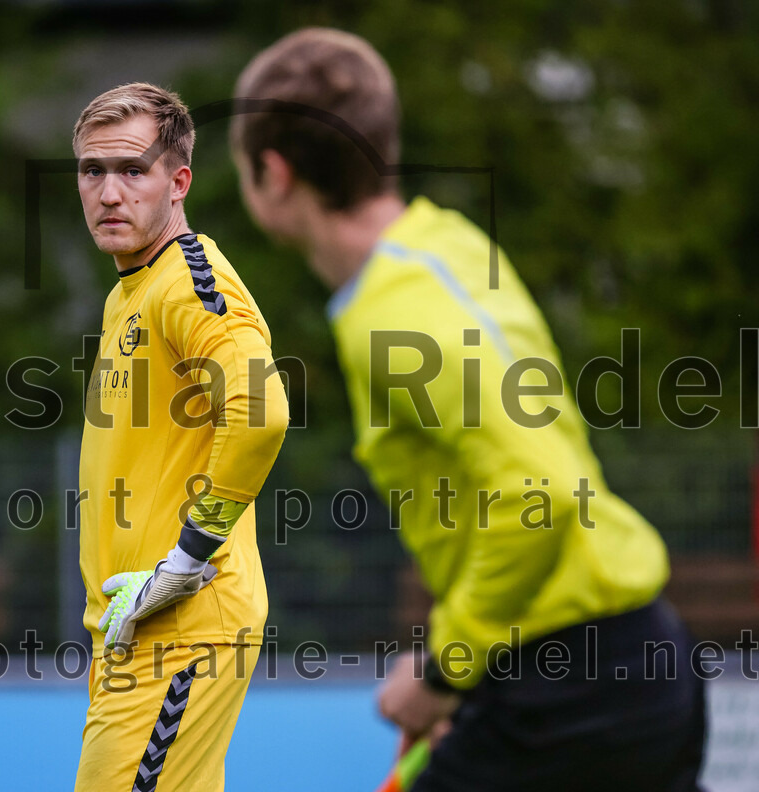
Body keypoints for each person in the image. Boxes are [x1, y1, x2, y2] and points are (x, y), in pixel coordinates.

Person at [231, 28, 706, 791]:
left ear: (274, 174)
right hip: (608, 665)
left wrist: (449, 667)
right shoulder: (444, 245)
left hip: (573, 687)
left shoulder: (395, 313)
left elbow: (541, 494)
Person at [71, 83, 289, 792]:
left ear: (178, 180)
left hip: (183, 624)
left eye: (133, 170)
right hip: (135, 632)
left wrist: (192, 554)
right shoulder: (131, 289)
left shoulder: (188, 284)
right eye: (92, 170)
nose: (109, 192)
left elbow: (262, 411)